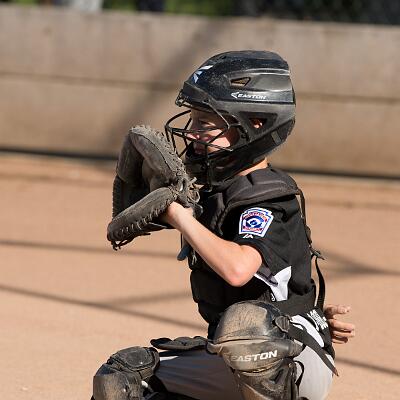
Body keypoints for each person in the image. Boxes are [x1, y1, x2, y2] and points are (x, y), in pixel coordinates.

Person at [92, 51, 355, 400]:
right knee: (122, 379)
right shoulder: (221, 195)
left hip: (288, 362)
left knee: (247, 328)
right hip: (247, 358)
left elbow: (237, 270)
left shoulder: (266, 197)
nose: (192, 133)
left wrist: (178, 216)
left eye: (205, 123)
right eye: (193, 120)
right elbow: (283, 282)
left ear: (255, 124)